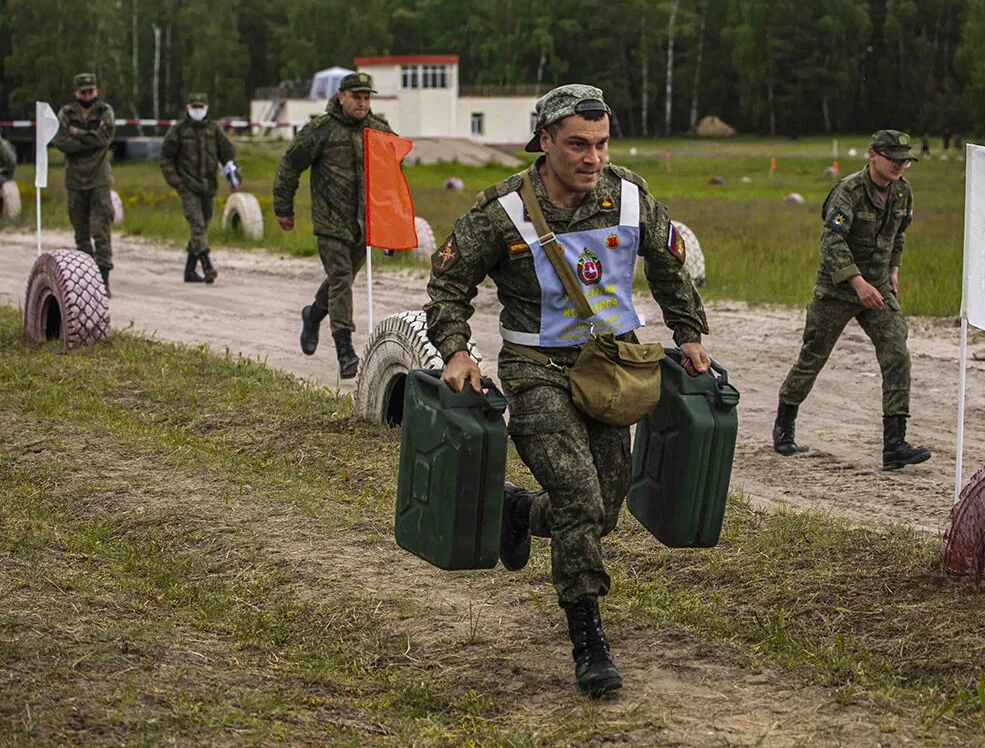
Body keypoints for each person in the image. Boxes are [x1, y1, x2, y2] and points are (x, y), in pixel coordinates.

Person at [424, 84, 710, 696]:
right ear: (545, 141)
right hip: (538, 372)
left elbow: (668, 266)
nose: (593, 157)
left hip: (614, 374)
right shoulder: (502, 211)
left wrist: (688, 335)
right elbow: (448, 284)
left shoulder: (629, 195)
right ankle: (588, 640)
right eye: (578, 144)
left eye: (602, 144)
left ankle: (520, 511)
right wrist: (455, 349)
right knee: (581, 497)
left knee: (604, 509)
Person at [772, 130, 931, 471]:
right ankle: (784, 425)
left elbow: (899, 234)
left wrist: (893, 271)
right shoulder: (849, 191)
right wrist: (857, 283)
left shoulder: (903, 192)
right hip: (837, 289)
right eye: (893, 159)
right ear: (873, 155)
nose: (900, 166)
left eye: (905, 160)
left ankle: (895, 444)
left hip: (877, 286)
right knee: (812, 357)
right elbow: (832, 243)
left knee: (896, 353)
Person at [272, 72, 394, 379]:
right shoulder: (320, 130)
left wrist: (391, 222)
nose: (363, 103)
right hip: (330, 222)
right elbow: (289, 165)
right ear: (341, 97)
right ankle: (346, 352)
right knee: (340, 278)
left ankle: (313, 315)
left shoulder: (379, 130)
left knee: (343, 281)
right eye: (357, 97)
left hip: (363, 224)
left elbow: (392, 174)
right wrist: (283, 208)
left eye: (367, 98)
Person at [160, 92, 238, 284]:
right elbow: (166, 158)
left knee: (202, 226)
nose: (197, 110)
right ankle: (207, 265)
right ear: (188, 108)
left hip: (208, 187)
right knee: (197, 225)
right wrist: (176, 182)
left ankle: (189, 270)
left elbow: (227, 153)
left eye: (200, 107)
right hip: (188, 186)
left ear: (207, 108)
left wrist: (233, 175)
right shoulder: (179, 130)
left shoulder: (213, 130)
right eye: (194, 107)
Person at [52, 72, 116, 295]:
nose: (87, 95)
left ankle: (104, 278)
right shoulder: (66, 113)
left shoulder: (104, 111)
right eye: (83, 92)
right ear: (76, 93)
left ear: (96, 91)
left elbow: (104, 139)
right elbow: (60, 140)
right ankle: (87, 278)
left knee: (101, 229)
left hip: (99, 179)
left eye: (91, 91)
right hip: (76, 180)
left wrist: (77, 133)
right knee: (81, 232)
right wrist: (89, 141)